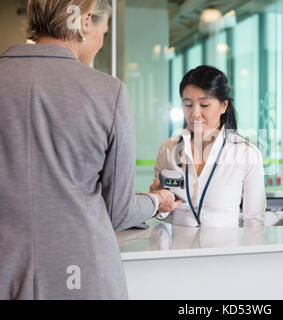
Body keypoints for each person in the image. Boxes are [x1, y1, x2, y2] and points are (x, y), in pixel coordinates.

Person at [0, 0, 179, 299]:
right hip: (81, 274)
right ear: (85, 22)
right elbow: (118, 212)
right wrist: (157, 198)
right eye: (103, 32)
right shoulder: (109, 92)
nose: (99, 44)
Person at [151, 65, 266, 228]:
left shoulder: (247, 153)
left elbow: (255, 221)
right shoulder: (168, 149)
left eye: (204, 105)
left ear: (223, 106)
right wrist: (158, 202)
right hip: (178, 250)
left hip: (224, 250)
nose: (195, 113)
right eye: (188, 105)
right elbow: (162, 215)